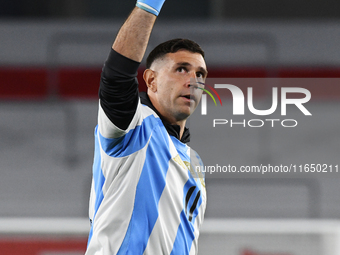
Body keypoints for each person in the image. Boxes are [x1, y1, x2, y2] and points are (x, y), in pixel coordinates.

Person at [85, 0, 207, 254]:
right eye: (182, 69)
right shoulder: (134, 127)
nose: (193, 81)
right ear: (151, 80)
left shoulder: (194, 162)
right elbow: (117, 77)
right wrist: (149, 4)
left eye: (200, 74)